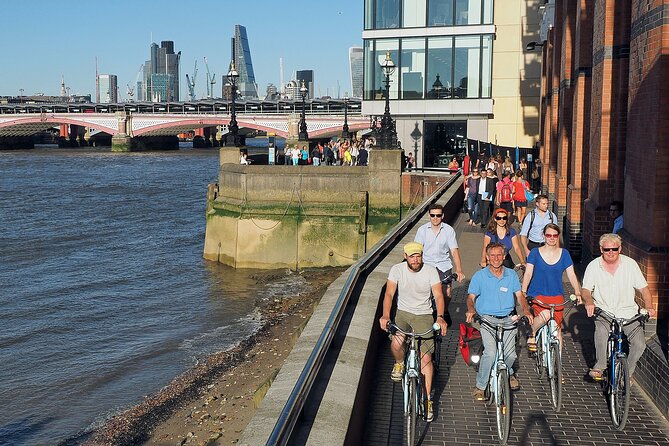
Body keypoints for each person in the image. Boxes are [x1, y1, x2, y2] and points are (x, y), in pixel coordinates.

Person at [379, 242, 448, 422]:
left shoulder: (431, 271)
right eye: (412, 256)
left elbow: (439, 295)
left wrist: (440, 317)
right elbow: (389, 294)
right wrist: (386, 316)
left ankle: (427, 400)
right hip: (403, 314)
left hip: (424, 315)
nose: (415, 260)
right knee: (396, 342)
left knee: (425, 358)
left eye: (418, 256)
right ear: (405, 256)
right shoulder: (397, 270)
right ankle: (400, 363)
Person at [582, 233, 656, 379]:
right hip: (605, 312)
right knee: (601, 333)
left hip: (628, 313)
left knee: (639, 344)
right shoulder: (593, 266)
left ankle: (627, 372)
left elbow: (644, 289)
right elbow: (585, 290)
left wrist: (649, 306)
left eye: (614, 249)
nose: (611, 252)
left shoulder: (630, 265)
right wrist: (589, 302)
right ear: (601, 249)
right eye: (607, 249)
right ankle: (600, 366)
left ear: (620, 249)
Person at [466, 242, 533, 400]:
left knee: (510, 355)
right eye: (492, 255)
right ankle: (480, 386)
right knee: (491, 352)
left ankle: (508, 373)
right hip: (487, 320)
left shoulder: (511, 275)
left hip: (509, 320)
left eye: (499, 255)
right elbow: (470, 298)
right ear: (487, 258)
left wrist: (526, 310)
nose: (496, 258)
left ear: (504, 257)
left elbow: (519, 296)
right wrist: (471, 309)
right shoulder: (479, 276)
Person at [520, 223, 581, 352]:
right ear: (544, 236)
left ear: (558, 236)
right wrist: (524, 291)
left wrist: (577, 291)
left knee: (557, 328)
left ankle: (556, 365)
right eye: (548, 235)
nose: (552, 238)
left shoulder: (564, 254)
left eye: (555, 235)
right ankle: (532, 332)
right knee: (547, 314)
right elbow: (529, 272)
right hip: (538, 294)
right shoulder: (535, 253)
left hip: (556, 295)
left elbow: (571, 274)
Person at [414, 204, 465, 316]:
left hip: (443, 265)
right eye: (433, 215)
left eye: (438, 215)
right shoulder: (422, 230)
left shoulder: (448, 230)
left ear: (442, 216)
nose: (435, 218)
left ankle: (444, 312)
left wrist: (459, 270)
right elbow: (417, 251)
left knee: (447, 293)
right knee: (423, 293)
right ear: (429, 216)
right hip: (427, 265)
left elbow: (454, 251)